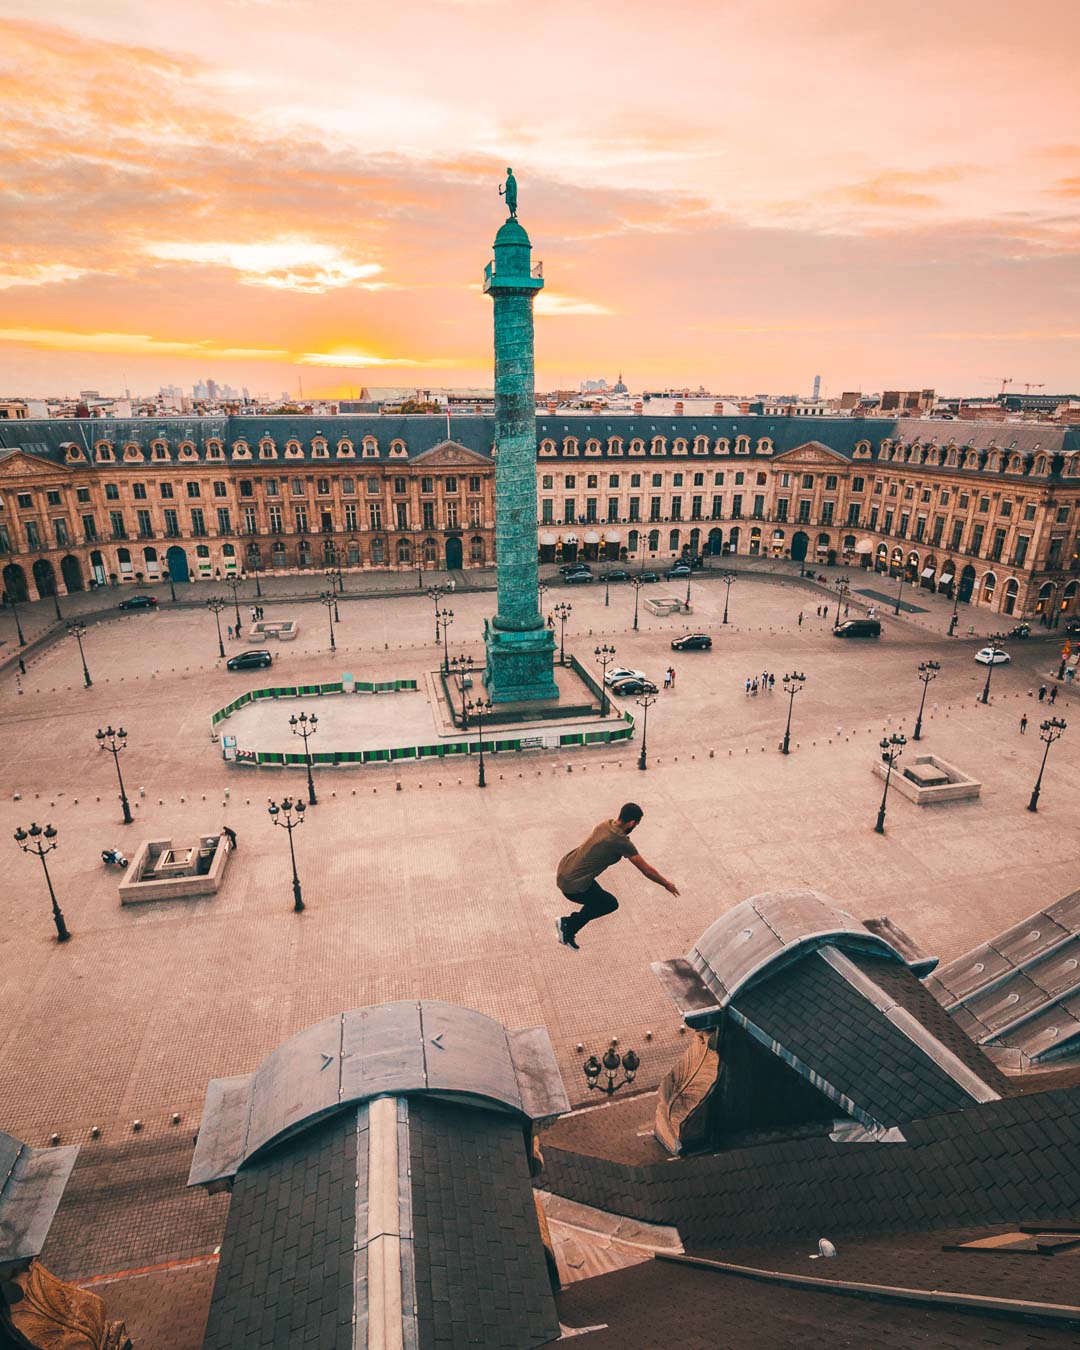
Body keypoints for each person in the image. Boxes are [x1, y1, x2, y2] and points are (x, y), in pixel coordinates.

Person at [555, 802, 678, 950]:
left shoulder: (605, 824)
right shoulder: (620, 841)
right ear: (632, 823)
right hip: (573, 886)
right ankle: (567, 923)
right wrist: (666, 884)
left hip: (566, 870)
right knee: (609, 903)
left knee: (597, 898)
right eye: (636, 825)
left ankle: (569, 929)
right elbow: (647, 870)